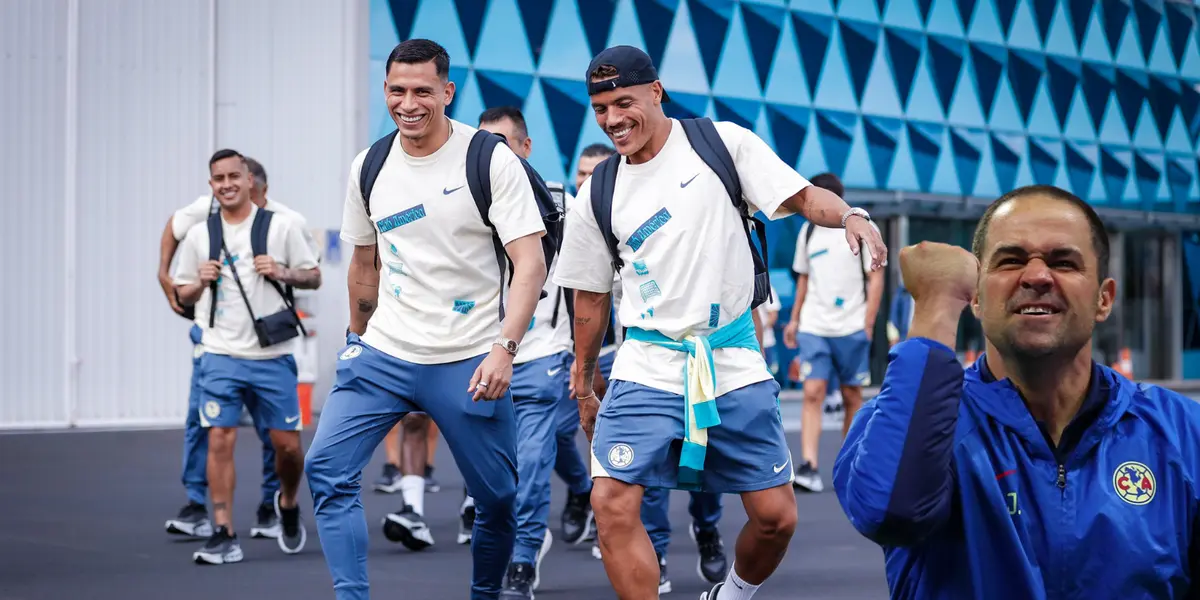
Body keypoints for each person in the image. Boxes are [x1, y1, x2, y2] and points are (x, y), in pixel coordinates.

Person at [554, 45, 887, 600]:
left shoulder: (721, 144)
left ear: (656, 93)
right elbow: (588, 298)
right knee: (611, 503)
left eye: (624, 102)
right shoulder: (600, 191)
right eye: (601, 108)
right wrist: (585, 378)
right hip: (646, 361)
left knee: (777, 517)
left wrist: (851, 214)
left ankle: (730, 594)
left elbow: (805, 198)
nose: (613, 119)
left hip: (731, 356)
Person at [833, 184, 1200, 598]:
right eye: (1011, 260)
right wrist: (936, 306)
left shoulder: (1182, 433)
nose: (1038, 276)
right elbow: (890, 513)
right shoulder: (915, 420)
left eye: (1064, 262)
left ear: (1104, 299)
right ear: (976, 297)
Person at [303, 39, 547, 600]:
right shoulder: (370, 165)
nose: (408, 103)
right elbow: (364, 263)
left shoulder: (488, 158)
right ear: (384, 91)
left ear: (447, 92)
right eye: (396, 90)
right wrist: (356, 342)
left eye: (422, 91)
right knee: (327, 470)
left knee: (498, 499)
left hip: (468, 358)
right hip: (385, 352)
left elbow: (529, 263)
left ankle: (486, 593)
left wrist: (504, 349)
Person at [173, 149, 321, 564]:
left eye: (233, 176)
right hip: (220, 351)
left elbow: (314, 275)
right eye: (218, 178)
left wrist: (282, 271)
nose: (227, 184)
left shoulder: (282, 226)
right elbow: (180, 291)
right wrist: (197, 284)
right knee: (220, 437)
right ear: (211, 185)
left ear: (249, 180)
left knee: (287, 448)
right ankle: (223, 532)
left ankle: (287, 504)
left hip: (272, 354)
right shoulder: (201, 235)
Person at [781, 172, 885, 493]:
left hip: (851, 326)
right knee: (812, 392)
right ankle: (809, 465)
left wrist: (868, 323)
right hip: (815, 326)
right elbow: (803, 279)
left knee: (853, 395)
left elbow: (876, 277)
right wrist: (795, 319)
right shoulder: (807, 231)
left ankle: (850, 462)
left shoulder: (862, 226)